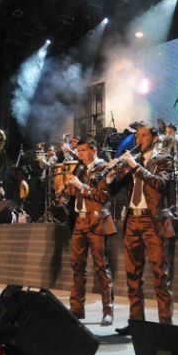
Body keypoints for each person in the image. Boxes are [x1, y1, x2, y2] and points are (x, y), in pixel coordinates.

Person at [108, 121, 175, 334]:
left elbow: (161, 184)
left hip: (152, 221)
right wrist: (110, 177)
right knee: (132, 274)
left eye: (144, 135)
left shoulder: (164, 159)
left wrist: (136, 167)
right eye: (137, 136)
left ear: (154, 138)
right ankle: (136, 323)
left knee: (160, 275)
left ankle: (165, 326)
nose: (139, 139)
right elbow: (114, 189)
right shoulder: (133, 161)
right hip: (132, 220)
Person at [63, 138, 116, 326]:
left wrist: (80, 186)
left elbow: (103, 196)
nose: (80, 154)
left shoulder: (105, 168)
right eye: (79, 151)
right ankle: (76, 309)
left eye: (84, 150)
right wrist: (66, 188)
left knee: (101, 266)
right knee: (77, 266)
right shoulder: (80, 168)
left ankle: (108, 311)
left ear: (94, 150)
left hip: (97, 221)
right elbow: (74, 192)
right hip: (80, 222)